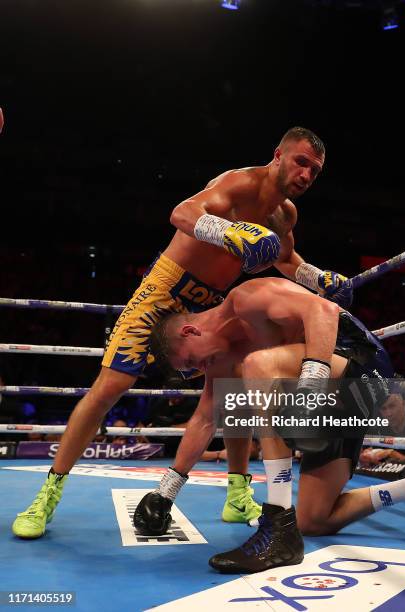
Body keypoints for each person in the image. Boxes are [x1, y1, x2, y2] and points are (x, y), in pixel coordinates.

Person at [12, 126, 352, 539]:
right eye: (301, 162)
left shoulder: (285, 215)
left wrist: (319, 277)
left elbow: (283, 259)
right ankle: (49, 493)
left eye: (314, 172)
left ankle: (237, 492)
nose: (305, 175)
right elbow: (182, 214)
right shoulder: (237, 183)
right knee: (111, 385)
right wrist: (231, 231)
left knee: (231, 389)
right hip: (165, 290)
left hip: (208, 302)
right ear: (278, 154)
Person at [134, 277, 405, 573]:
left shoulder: (248, 299)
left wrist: (309, 389)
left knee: (258, 365)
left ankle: (278, 523)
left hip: (359, 365)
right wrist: (166, 491)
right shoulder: (219, 358)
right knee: (314, 519)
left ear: (190, 331)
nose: (198, 369)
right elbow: (205, 419)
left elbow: (324, 309)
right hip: (330, 393)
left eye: (192, 361)